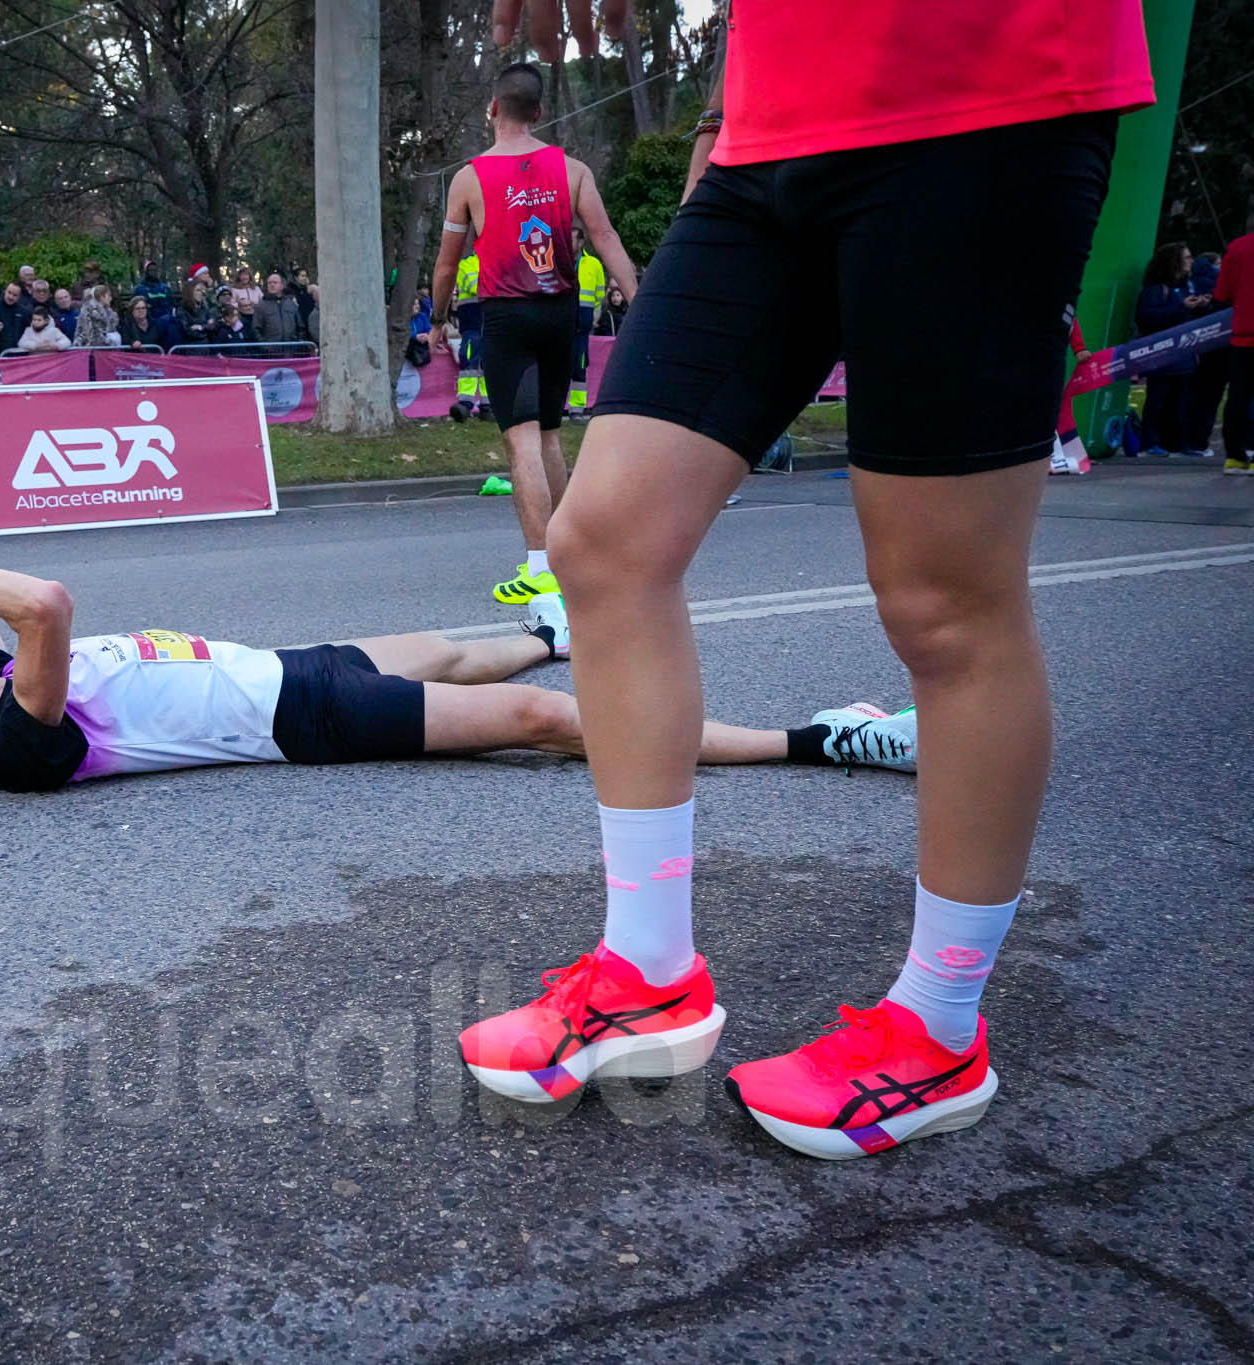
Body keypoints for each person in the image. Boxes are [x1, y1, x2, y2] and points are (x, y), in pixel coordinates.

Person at [459, 0, 1152, 1160]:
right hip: (769, 126)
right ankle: (645, 973)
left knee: (942, 602)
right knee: (603, 545)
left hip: (981, 93)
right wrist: (719, 108)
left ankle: (936, 1028)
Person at [0, 516, 916, 794]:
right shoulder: (19, 743)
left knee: (447, 648)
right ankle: (819, 739)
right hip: (304, 722)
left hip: (285, 665)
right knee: (545, 724)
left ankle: (550, 632)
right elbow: (45, 605)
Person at [429, 62, 638, 606]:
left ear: (493, 109)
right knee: (548, 435)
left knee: (522, 439)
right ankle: (570, 560)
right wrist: (638, 302)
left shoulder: (470, 178)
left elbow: (448, 263)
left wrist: (437, 317)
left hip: (507, 317)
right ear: (539, 112)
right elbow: (605, 237)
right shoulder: (573, 170)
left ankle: (541, 568)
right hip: (560, 314)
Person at [1132, 242, 1206, 457]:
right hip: (1163, 355)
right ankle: (1150, 442)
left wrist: (1201, 306)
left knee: (1179, 401)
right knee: (1158, 400)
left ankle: (1175, 442)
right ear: (1174, 262)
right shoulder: (1156, 290)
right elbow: (1148, 318)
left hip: (1183, 355)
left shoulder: (1185, 287)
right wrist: (1181, 307)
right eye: (1187, 258)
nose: (1191, 261)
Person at [1214, 217, 1254, 475]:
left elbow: (1221, 294)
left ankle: (1235, 457)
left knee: (1238, 396)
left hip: (1242, 335)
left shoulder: (1237, 247)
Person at [569, 225, 607, 414]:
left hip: (583, 320)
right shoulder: (558, 261)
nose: (567, 243)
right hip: (562, 318)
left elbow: (600, 294)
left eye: (571, 239)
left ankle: (577, 408)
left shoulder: (593, 264)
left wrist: (594, 315)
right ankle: (554, 408)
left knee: (580, 363)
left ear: (581, 242)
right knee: (556, 365)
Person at [449, 251, 487, 421]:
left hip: (491, 324)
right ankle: (465, 403)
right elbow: (475, 287)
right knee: (469, 362)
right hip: (472, 324)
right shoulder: (467, 264)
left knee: (489, 364)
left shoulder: (498, 262)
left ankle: (488, 405)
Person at [252, 273, 303, 344]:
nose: (272, 285)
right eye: (269, 283)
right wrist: (264, 346)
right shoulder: (261, 306)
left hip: (291, 347)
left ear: (282, 285)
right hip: (270, 349)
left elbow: (300, 326)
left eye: (275, 282)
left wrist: (299, 343)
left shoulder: (290, 303)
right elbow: (255, 329)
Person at [173, 278, 211, 347]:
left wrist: (200, 327)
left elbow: (214, 326)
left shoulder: (204, 309)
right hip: (190, 347)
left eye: (203, 291)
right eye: (198, 290)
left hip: (207, 347)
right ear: (190, 292)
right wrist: (206, 328)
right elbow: (188, 332)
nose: (202, 293)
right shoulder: (181, 310)